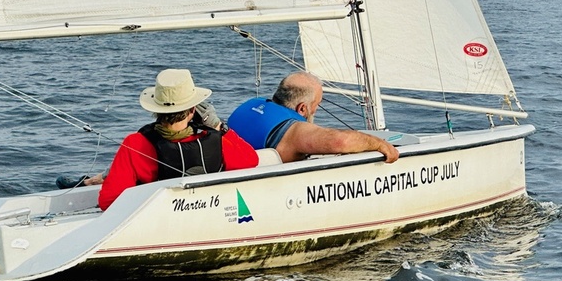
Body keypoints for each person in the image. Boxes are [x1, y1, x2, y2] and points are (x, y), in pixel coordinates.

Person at [96, 69, 259, 210]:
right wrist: (219, 126)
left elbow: (109, 202)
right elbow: (251, 160)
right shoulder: (217, 140)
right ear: (193, 110)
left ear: (156, 110)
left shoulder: (136, 144)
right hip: (208, 212)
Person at [227, 71, 399, 164]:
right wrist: (379, 144)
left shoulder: (251, 104)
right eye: (317, 104)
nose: (316, 109)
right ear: (302, 108)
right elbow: (340, 141)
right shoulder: (294, 131)